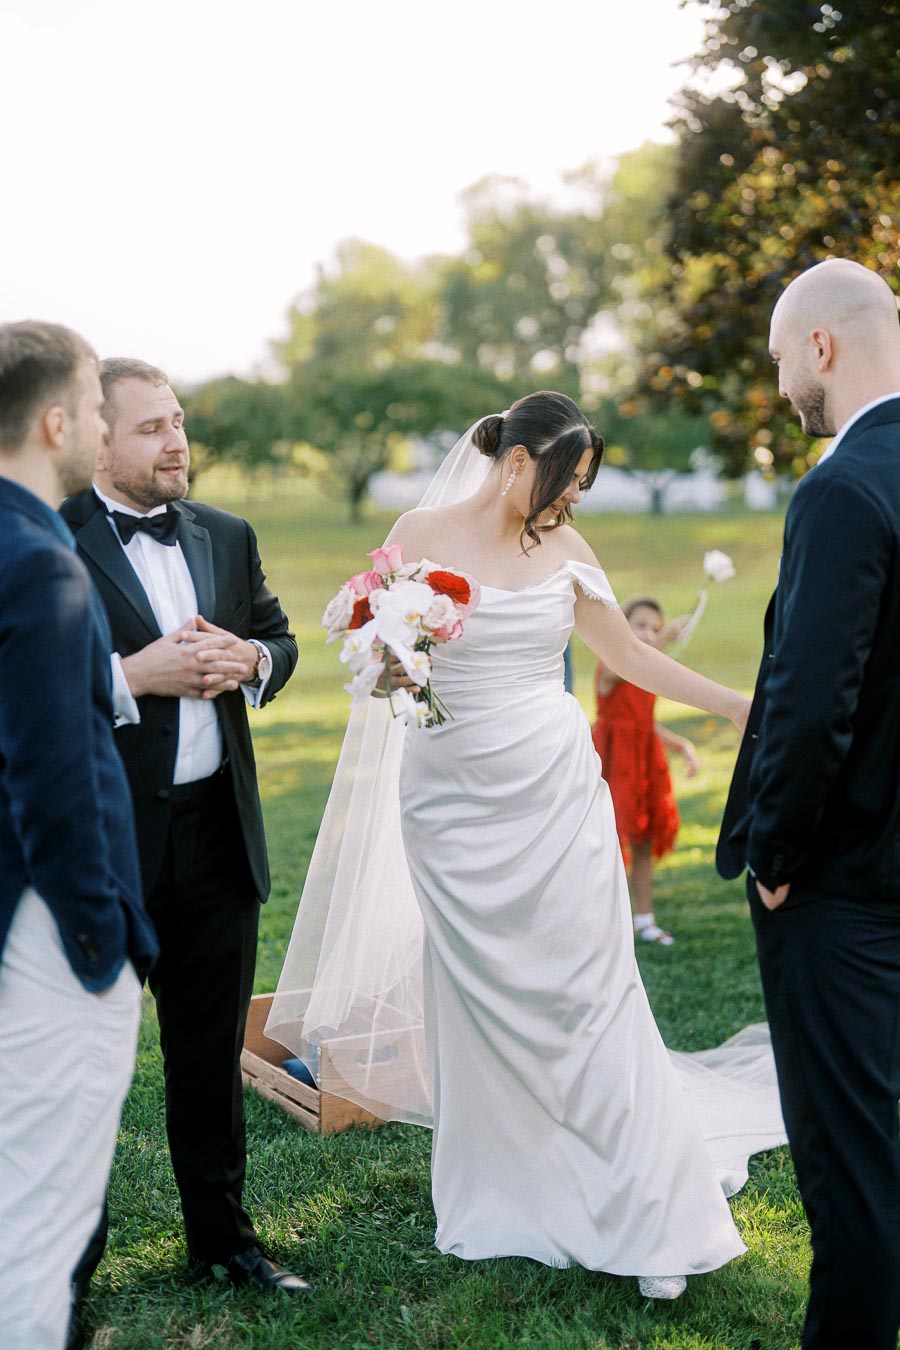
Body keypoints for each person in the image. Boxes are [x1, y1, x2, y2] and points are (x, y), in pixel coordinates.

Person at [269, 390, 786, 1301]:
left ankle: (649, 1205)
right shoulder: (419, 531)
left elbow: (630, 657)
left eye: (582, 488)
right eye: (563, 482)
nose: (568, 503)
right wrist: (391, 660)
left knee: (591, 993)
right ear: (516, 463)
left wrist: (738, 706)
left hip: (552, 796)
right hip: (452, 807)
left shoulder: (569, 552)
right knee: (482, 999)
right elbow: (385, 670)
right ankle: (514, 1180)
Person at [60, 359, 305, 1297]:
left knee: (208, 1058)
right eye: (152, 428)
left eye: (179, 421)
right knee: (84, 1065)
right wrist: (132, 678)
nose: (176, 442)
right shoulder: (50, 539)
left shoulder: (227, 535)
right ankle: (69, 1265)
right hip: (103, 844)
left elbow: (279, 638)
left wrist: (253, 658)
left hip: (216, 836)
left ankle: (225, 1242)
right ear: (99, 440)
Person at [717, 258, 900, 1350]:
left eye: (783, 355)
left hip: (848, 885)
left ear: (822, 346)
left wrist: (776, 851)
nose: (784, 378)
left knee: (850, 1153)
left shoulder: (845, 485)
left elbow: (809, 698)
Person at [0, 322, 158, 1349]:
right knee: (39, 1214)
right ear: (57, 420)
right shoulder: (41, 565)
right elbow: (57, 777)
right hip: (49, 932)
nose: (102, 422)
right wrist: (103, 942)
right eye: (99, 404)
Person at [592, 595, 698, 946]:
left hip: (643, 759)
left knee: (642, 840)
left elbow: (644, 723)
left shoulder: (647, 673)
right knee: (608, 837)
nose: (650, 635)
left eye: (655, 628)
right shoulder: (610, 665)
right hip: (614, 760)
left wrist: (680, 744)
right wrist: (665, 638)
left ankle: (644, 919)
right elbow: (615, 674)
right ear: (620, 626)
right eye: (641, 627)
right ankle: (603, 922)